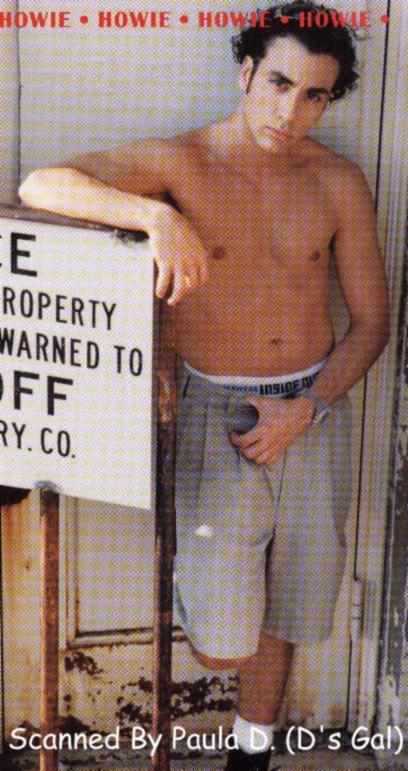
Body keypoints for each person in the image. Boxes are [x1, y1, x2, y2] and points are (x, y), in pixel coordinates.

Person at [19, 2, 390, 768]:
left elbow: (372, 323)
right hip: (216, 410)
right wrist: (153, 219)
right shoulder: (183, 162)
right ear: (246, 71)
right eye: (279, 82)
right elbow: (41, 185)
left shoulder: (337, 181)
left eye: (313, 95)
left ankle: (250, 753)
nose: (290, 112)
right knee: (223, 640)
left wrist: (308, 407)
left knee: (295, 603)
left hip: (314, 409)